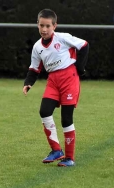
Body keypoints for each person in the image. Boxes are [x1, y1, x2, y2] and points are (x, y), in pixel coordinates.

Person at [22, 9, 89, 167]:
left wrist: (80, 68)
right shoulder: (37, 46)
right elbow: (34, 68)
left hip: (69, 79)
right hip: (53, 80)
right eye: (41, 25)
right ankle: (56, 150)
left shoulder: (63, 38)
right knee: (44, 111)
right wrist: (28, 83)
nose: (44, 29)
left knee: (66, 119)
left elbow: (84, 45)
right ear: (37, 25)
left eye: (47, 26)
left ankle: (69, 158)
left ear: (55, 26)